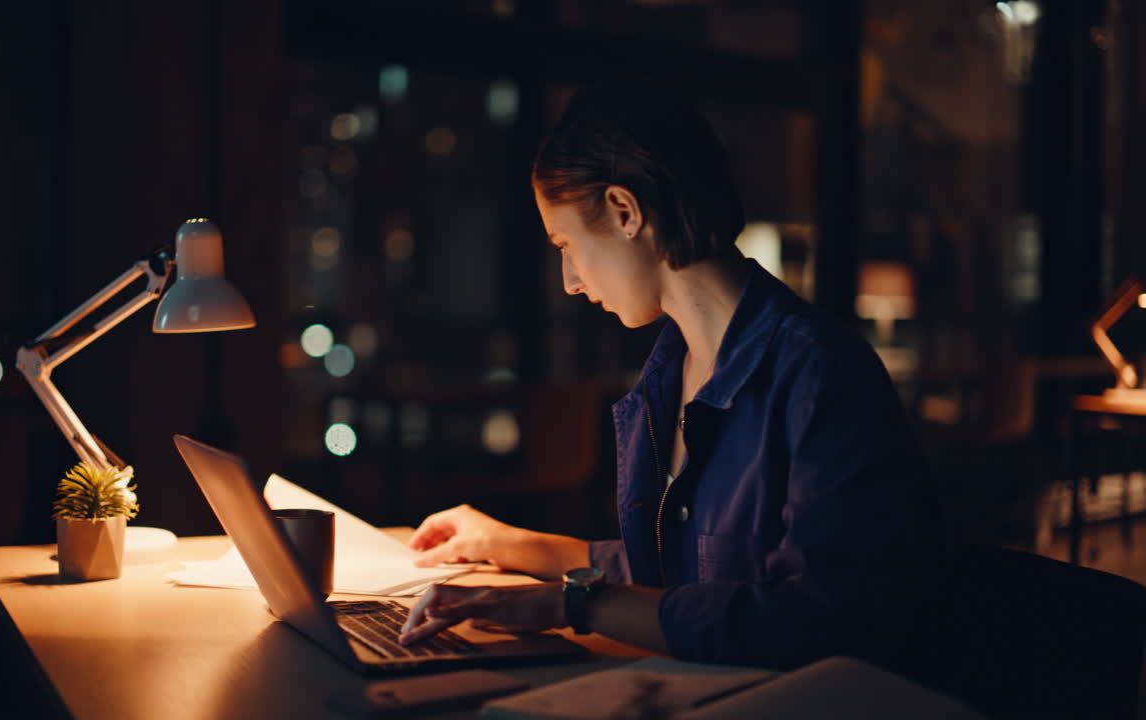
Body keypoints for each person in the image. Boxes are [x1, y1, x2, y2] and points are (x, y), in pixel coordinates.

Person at [397, 81, 945, 670]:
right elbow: (681, 571)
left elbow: (813, 619)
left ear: (625, 211)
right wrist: (508, 544)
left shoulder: (820, 371)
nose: (570, 282)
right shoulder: (669, 375)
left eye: (566, 245)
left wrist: (571, 605)